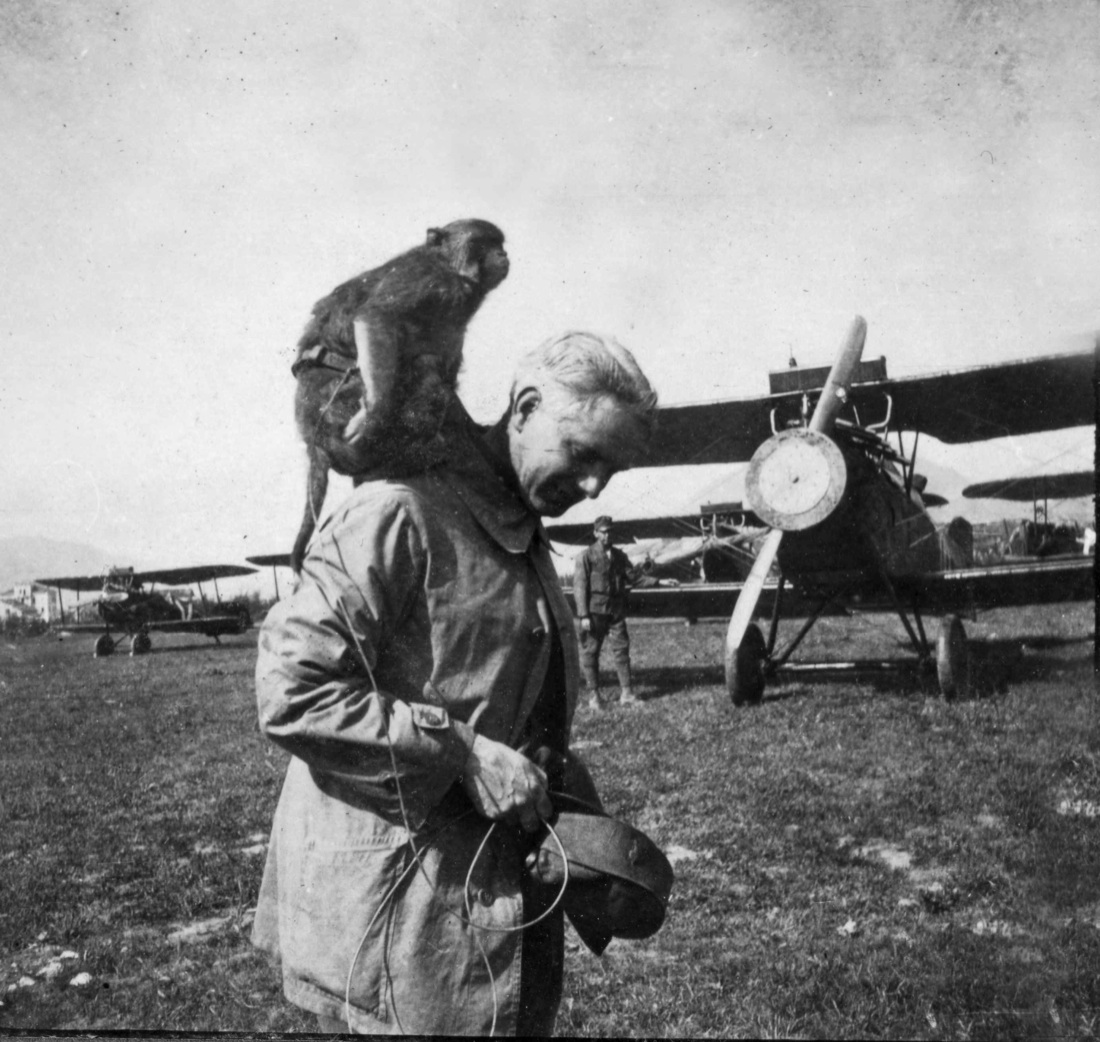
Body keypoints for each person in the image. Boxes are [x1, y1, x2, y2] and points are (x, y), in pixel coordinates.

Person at [251, 330, 658, 1035]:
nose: (594, 487)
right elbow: (293, 692)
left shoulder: (524, 536)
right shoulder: (396, 511)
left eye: (611, 471)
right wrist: (463, 751)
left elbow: (513, 707)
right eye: (583, 454)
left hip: (493, 911)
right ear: (524, 407)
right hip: (399, 929)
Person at [572, 516, 649, 709]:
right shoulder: (586, 556)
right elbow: (579, 587)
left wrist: (661, 581)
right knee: (591, 653)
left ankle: (627, 693)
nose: (607, 535)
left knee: (622, 650)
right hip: (594, 613)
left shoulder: (619, 556)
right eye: (603, 532)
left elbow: (635, 577)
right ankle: (594, 697)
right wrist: (583, 616)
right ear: (596, 533)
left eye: (610, 531)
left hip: (616, 612)